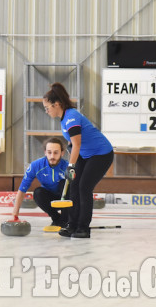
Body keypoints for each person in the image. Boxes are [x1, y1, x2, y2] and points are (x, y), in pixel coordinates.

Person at [43, 83, 114, 238]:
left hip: (101, 154)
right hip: (85, 154)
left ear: (57, 105)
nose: (46, 111)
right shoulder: (64, 119)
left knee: (84, 187)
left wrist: (70, 166)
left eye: (47, 107)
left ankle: (83, 228)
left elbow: (77, 143)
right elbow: (72, 144)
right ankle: (72, 224)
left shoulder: (71, 117)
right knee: (73, 186)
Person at [11, 138, 70, 227]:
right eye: (49, 152)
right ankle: (56, 218)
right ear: (45, 152)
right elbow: (22, 189)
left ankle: (65, 219)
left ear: (62, 153)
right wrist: (15, 214)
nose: (52, 156)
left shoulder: (67, 166)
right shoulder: (36, 165)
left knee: (65, 184)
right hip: (50, 199)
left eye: (56, 152)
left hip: (66, 199)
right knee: (38, 192)